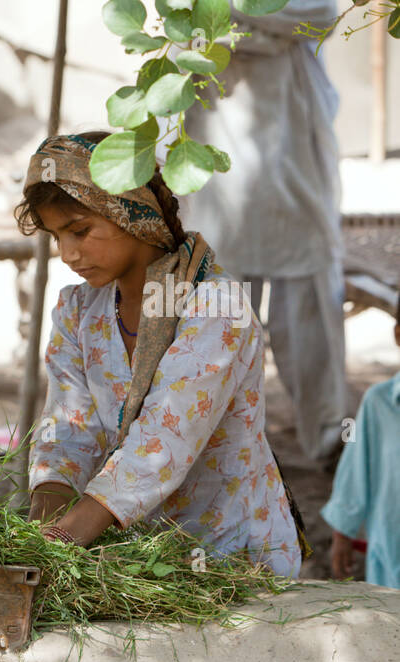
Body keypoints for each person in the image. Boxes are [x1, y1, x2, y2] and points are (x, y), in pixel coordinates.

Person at [17, 132, 302, 578]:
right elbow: (68, 432)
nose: (68, 254)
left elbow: (163, 442)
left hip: (232, 558)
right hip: (143, 560)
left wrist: (61, 541)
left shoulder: (215, 307)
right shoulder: (79, 311)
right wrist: (35, 537)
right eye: (56, 237)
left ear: (131, 211)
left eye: (79, 231)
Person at [179, 0, 346, 467]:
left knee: (312, 306)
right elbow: (181, 26)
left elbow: (320, 13)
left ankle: (334, 441)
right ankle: (212, 439)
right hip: (220, 160)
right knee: (220, 309)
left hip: (298, 160)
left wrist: (229, 22)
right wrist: (266, 31)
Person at [322, 317, 400, 589]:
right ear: (398, 335)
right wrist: (343, 533)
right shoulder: (379, 403)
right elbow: (355, 469)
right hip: (392, 558)